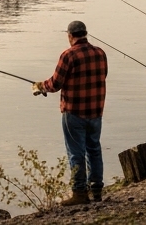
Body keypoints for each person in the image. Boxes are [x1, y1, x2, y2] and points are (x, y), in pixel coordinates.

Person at [34, 20, 109, 206]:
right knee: (94, 150)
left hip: (74, 112)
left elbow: (55, 84)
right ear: (85, 33)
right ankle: (97, 190)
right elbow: (103, 75)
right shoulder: (100, 53)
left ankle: (79, 193)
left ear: (70, 36)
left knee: (76, 153)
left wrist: (40, 86)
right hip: (96, 110)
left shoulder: (68, 55)